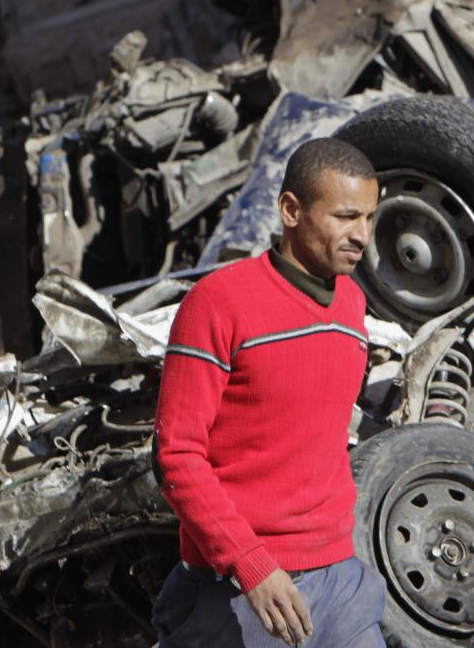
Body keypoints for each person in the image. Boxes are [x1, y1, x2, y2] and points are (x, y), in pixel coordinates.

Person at [151, 138, 385, 647]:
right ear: (291, 210)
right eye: (346, 217)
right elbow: (175, 455)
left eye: (370, 216)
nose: (362, 235)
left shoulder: (352, 304)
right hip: (239, 592)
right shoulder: (217, 303)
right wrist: (250, 564)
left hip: (341, 581)